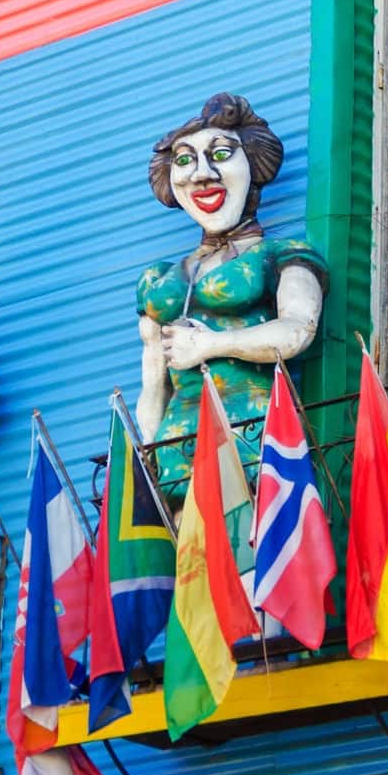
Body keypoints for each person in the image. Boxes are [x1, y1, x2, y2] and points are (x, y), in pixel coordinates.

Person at [134, 94, 328, 502]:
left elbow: (298, 330)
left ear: (252, 166)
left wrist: (212, 345)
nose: (202, 174)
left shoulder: (280, 254)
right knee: (192, 563)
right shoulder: (157, 279)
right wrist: (145, 451)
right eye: (185, 161)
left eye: (220, 154)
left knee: (247, 557)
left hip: (254, 438)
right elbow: (153, 381)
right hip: (176, 447)